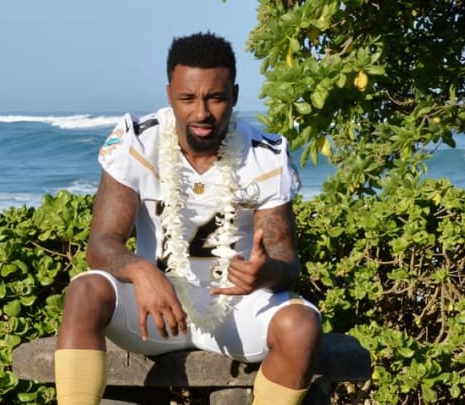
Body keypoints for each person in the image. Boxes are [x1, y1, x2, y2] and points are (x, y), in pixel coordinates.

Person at [54, 31, 321, 405]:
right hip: (154, 312)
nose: (201, 113)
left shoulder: (265, 155)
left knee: (302, 326)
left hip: (234, 314)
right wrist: (141, 271)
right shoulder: (138, 141)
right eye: (187, 98)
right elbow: (101, 245)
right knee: (85, 291)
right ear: (169, 96)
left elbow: (288, 264)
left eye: (215, 98)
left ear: (235, 96)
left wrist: (266, 272)